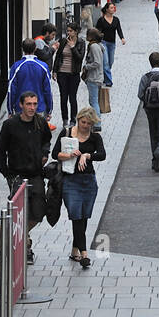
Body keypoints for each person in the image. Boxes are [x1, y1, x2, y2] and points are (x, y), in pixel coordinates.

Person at [0, 90, 52, 263]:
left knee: (38, 210)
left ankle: (24, 235)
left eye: (35, 104)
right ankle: (24, 247)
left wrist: (44, 153)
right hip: (16, 174)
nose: (32, 107)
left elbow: (46, 140)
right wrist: (5, 172)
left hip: (35, 173)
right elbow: (1, 149)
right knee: (18, 210)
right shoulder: (10, 125)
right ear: (21, 105)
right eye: (28, 104)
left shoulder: (40, 122)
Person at [52, 107, 105, 269]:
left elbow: (102, 155)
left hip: (88, 181)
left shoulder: (94, 137)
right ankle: (84, 254)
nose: (85, 126)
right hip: (70, 180)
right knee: (76, 215)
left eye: (89, 123)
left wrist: (86, 155)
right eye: (83, 122)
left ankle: (75, 250)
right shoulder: (67, 133)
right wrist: (70, 155)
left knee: (83, 217)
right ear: (78, 119)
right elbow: (55, 154)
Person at [7, 39, 53, 120]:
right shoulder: (43, 66)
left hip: (21, 108)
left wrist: (10, 110)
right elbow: (48, 91)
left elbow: (11, 90)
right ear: (35, 49)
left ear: (22, 49)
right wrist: (49, 110)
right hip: (38, 107)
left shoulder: (16, 66)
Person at [51, 22, 85, 127]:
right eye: (68, 30)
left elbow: (80, 58)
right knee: (63, 97)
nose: (68, 33)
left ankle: (73, 119)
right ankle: (65, 119)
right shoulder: (63, 41)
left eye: (70, 31)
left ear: (76, 32)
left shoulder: (81, 42)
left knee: (72, 97)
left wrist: (73, 47)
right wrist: (55, 71)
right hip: (62, 73)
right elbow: (58, 57)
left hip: (74, 74)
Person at [94, 2, 125, 87]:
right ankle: (108, 81)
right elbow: (97, 31)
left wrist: (122, 38)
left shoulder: (116, 19)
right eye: (111, 8)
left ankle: (104, 76)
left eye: (113, 8)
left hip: (112, 43)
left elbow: (119, 29)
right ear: (107, 9)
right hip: (103, 42)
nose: (113, 9)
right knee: (106, 62)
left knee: (110, 62)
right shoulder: (101, 20)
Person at [81, 28, 105, 127]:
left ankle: (97, 124)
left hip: (94, 78)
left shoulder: (94, 47)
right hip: (96, 77)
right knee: (94, 101)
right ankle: (96, 122)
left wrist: (86, 66)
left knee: (94, 102)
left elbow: (97, 62)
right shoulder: (97, 45)